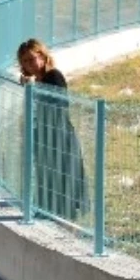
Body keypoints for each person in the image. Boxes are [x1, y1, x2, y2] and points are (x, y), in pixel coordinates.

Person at [16, 39, 88, 221]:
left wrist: (34, 88)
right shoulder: (34, 80)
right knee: (44, 173)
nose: (29, 64)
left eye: (32, 59)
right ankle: (47, 211)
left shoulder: (54, 76)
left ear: (43, 56)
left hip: (59, 134)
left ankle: (65, 217)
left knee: (63, 175)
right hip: (43, 133)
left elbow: (61, 102)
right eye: (25, 61)